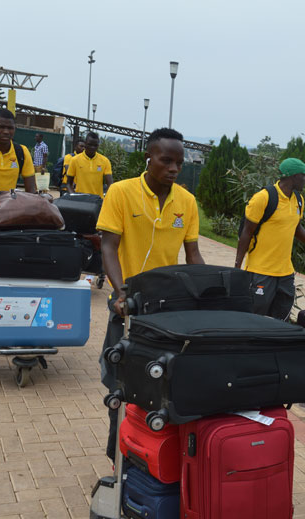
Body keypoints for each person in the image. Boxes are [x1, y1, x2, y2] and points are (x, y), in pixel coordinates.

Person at [96, 127, 204, 461]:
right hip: (128, 307)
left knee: (161, 387)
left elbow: (193, 255)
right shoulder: (122, 193)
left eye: (179, 162)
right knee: (121, 387)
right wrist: (119, 291)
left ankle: (151, 458)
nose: (174, 168)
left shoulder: (186, 201)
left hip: (166, 311)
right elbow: (109, 246)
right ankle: (118, 461)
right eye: (166, 160)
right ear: (149, 157)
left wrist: (207, 288)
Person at [234, 158, 305, 320]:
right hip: (260, 271)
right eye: (303, 175)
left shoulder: (298, 200)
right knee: (253, 319)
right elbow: (247, 232)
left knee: (281, 321)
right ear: (293, 176)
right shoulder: (263, 198)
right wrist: (237, 267)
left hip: (285, 273)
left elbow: (296, 227)